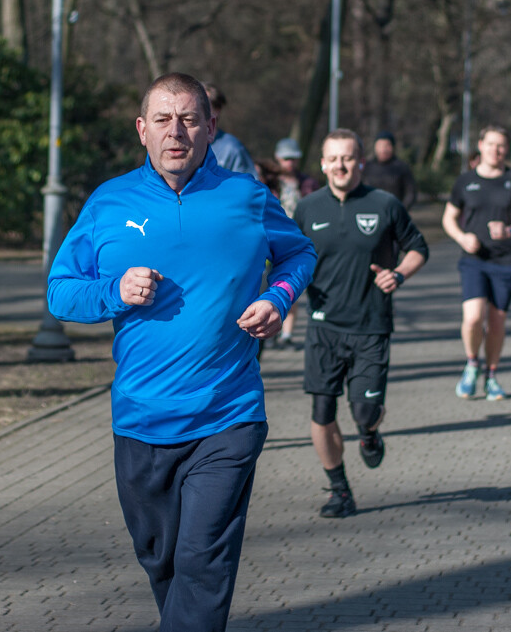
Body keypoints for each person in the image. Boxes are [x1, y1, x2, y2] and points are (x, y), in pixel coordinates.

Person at [47, 73, 316, 631]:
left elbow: (299, 254)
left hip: (228, 414)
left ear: (210, 128)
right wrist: (111, 292)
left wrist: (278, 297)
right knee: (162, 560)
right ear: (142, 130)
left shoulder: (244, 196)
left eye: (190, 120)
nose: (178, 132)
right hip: (140, 420)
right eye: (164, 121)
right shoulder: (108, 202)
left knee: (202, 562)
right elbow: (60, 292)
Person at [294, 129, 429, 518]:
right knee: (322, 411)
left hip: (371, 325)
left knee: (364, 412)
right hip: (323, 327)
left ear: (360, 162)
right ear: (322, 164)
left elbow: (418, 248)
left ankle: (369, 434)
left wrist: (398, 274)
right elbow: (286, 257)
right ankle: (340, 491)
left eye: (348, 158)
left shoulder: (384, 204)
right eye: (333, 158)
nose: (340, 165)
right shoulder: (306, 209)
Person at [442, 125, 511, 401]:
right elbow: (448, 218)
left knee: (496, 321)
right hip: (474, 259)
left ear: (507, 149)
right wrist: (461, 237)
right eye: (491, 144)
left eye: (501, 146)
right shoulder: (465, 181)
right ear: (480, 145)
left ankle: (492, 375)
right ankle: (472, 363)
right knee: (472, 318)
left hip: (505, 259)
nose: (496, 150)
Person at [272, 137, 319, 347]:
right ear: (278, 158)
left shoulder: (307, 183)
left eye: (293, 158)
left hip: (295, 241)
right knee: (268, 287)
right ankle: (270, 333)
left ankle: (287, 335)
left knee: (291, 285)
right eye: (285, 158)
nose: (289, 162)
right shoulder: (267, 182)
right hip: (270, 240)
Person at [203, 82, 258, 177]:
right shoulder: (181, 145)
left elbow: (248, 187)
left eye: (204, 104)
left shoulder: (232, 148)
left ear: (217, 110)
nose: (196, 109)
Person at [362, 131, 417, 208]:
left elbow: (410, 193)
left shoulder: (402, 167)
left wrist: (401, 210)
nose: (383, 150)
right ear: (375, 147)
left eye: (387, 146)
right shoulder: (367, 167)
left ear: (393, 147)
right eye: (380, 145)